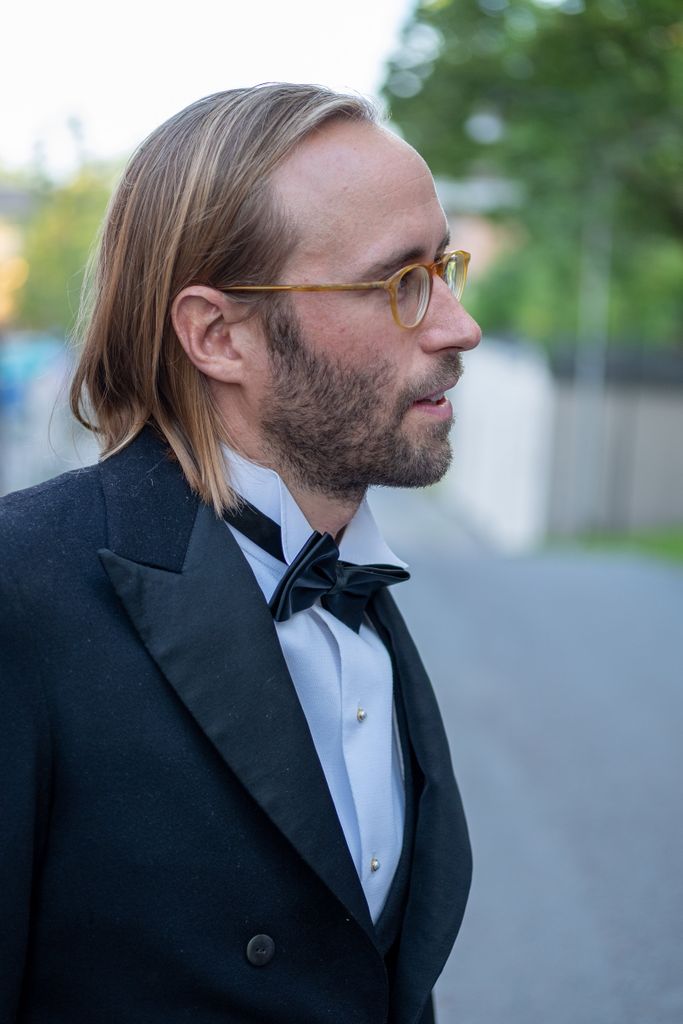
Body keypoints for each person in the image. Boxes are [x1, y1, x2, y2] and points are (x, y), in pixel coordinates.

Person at [0, 83, 481, 1024]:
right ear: (218, 336)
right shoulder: (22, 589)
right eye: (399, 284)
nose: (458, 325)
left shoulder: (358, 594)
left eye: (443, 266)